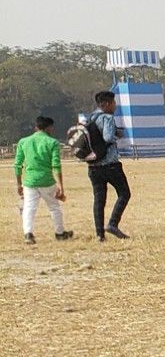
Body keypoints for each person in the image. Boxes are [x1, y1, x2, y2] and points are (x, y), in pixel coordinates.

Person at [82, 90, 131, 241]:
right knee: (124, 193)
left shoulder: (90, 118)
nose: (115, 106)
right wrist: (117, 135)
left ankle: (99, 235)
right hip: (110, 164)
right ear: (107, 104)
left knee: (99, 200)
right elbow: (108, 137)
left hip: (93, 166)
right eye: (114, 103)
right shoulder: (107, 117)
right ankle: (113, 224)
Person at [15, 116, 70, 244]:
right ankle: (60, 233)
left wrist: (19, 183)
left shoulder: (24, 141)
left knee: (29, 208)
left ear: (36, 127)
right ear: (48, 128)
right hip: (47, 181)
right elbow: (56, 165)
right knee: (54, 207)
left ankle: (28, 234)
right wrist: (61, 186)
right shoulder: (53, 142)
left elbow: (17, 164)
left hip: (29, 181)